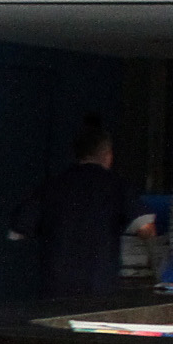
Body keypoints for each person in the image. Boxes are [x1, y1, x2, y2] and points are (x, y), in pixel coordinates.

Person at [19, 116, 141, 299]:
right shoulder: (117, 185)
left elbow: (20, 230)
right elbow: (146, 228)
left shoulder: (53, 185)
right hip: (100, 286)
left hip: (56, 286)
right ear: (108, 155)